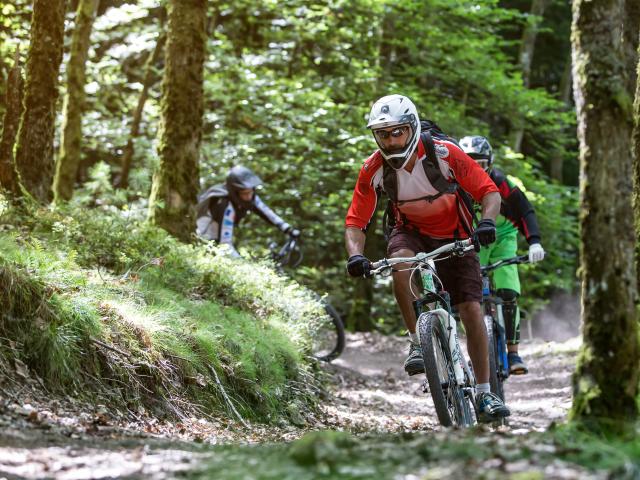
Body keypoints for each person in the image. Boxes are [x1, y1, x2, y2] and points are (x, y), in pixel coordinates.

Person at [344, 94, 509, 422]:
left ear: (413, 127)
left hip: (456, 233)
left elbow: (488, 191)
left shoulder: (444, 154)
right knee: (400, 265)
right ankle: (417, 342)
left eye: (398, 132)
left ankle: (484, 392)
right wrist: (355, 255)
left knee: (471, 309)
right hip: (410, 231)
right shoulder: (373, 168)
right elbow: (356, 221)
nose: (391, 140)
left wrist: (487, 222)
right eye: (383, 134)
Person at [459, 135, 545, 375]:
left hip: (503, 238)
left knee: (508, 291)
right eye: (469, 162)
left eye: (481, 162)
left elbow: (525, 211)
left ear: (490, 163)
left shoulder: (501, 182)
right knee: (466, 297)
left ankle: (514, 352)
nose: (476, 167)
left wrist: (534, 243)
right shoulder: (454, 185)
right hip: (471, 241)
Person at [196, 165, 299, 257]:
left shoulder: (249, 196)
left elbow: (265, 211)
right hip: (205, 241)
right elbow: (225, 244)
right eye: (245, 193)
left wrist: (287, 229)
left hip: (218, 242)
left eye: (251, 192)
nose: (249, 196)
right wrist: (242, 264)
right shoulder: (224, 204)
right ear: (235, 192)